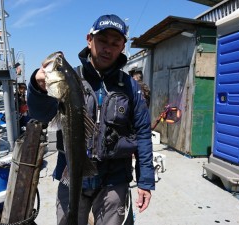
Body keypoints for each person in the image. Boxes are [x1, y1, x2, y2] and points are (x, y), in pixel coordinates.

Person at [27, 14, 155, 225]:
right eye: (102, 40)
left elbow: (143, 133)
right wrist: (38, 88)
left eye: (115, 43)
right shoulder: (69, 78)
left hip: (114, 180)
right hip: (71, 175)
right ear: (89, 39)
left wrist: (145, 181)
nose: (108, 48)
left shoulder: (131, 87)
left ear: (123, 47)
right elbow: (40, 114)